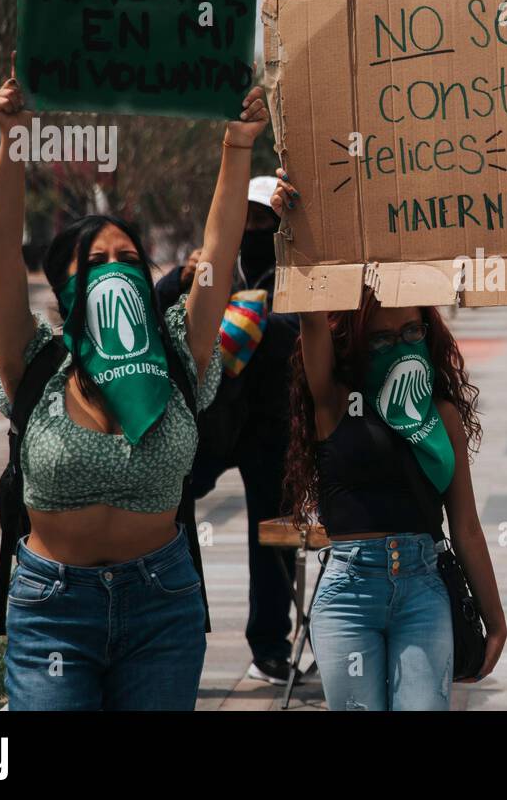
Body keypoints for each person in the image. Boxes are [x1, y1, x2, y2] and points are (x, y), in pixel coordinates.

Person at [0, 58, 269, 710]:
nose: (116, 271)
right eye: (97, 261)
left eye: (128, 259)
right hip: (53, 608)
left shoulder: (176, 354)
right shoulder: (37, 365)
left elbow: (216, 260)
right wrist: (13, 140)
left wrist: (237, 145)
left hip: (161, 605)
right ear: (65, 286)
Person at [271, 170, 507, 711]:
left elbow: (466, 526)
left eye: (411, 334)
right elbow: (309, 313)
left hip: (425, 588)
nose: (399, 346)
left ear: (430, 334)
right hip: (349, 593)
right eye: (380, 338)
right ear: (355, 343)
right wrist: (294, 226)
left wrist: (495, 621)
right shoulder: (334, 400)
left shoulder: (442, 415)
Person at [155, 176, 301, 685]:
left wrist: (255, 315)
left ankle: (270, 647)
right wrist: (182, 279)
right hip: (209, 425)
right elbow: (164, 311)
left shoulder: (298, 270)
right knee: (170, 513)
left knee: (273, 540)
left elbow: (304, 334)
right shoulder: (213, 266)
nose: (255, 228)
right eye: (247, 219)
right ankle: (173, 632)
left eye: (265, 220)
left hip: (272, 430)